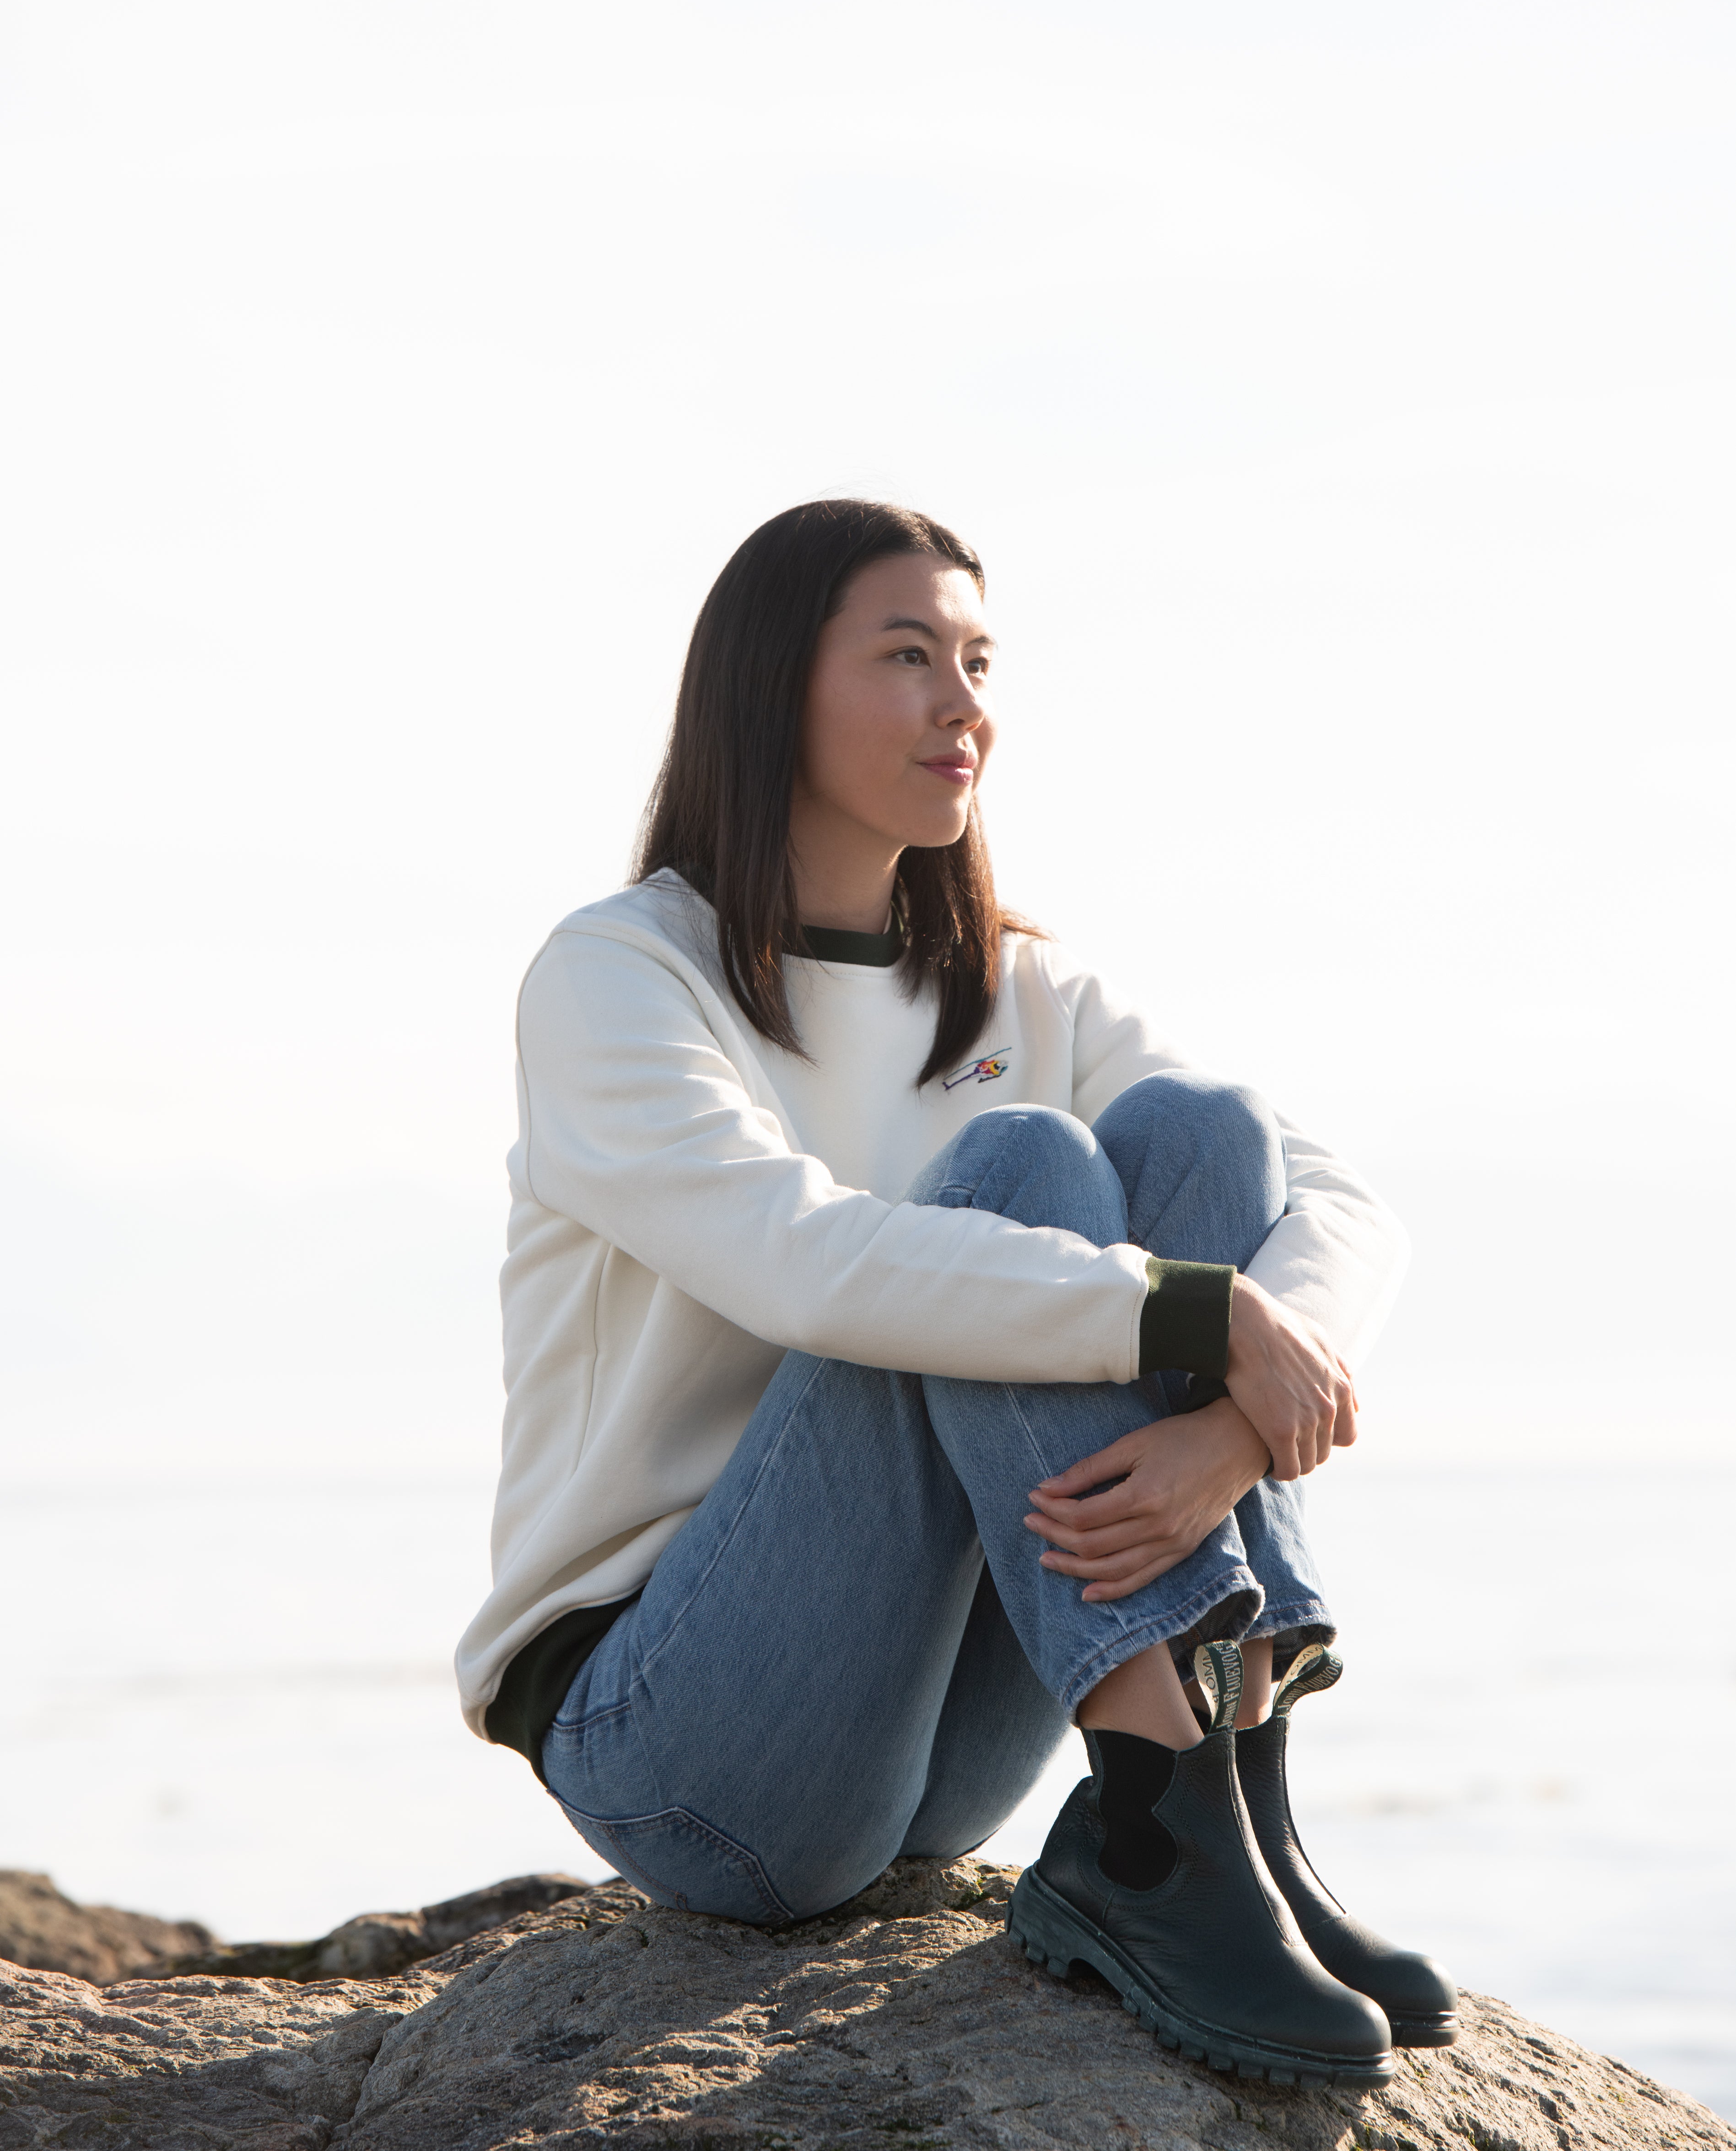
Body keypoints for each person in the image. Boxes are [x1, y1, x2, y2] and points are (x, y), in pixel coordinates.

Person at [455, 499, 1457, 2088]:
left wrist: (1232, 1435)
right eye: (908, 655)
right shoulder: (620, 977)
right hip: (687, 1738)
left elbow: (1338, 1205)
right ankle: (1155, 1841)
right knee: (1016, 1182)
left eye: (980, 660)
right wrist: (1191, 1321)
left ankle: (1214, 1811)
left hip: (941, 1745)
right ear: (771, 686)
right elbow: (801, 1260)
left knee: (1203, 1137)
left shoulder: (1020, 979)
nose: (964, 703)